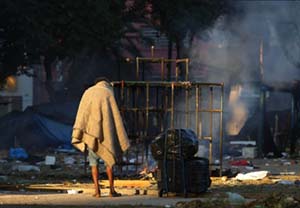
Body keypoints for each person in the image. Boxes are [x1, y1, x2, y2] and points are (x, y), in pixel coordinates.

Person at [71, 77, 130, 198]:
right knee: (109, 162)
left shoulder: (88, 92)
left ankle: (97, 192)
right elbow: (115, 116)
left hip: (91, 135)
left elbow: (83, 114)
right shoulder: (108, 93)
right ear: (107, 83)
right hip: (107, 135)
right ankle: (111, 191)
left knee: (94, 164)